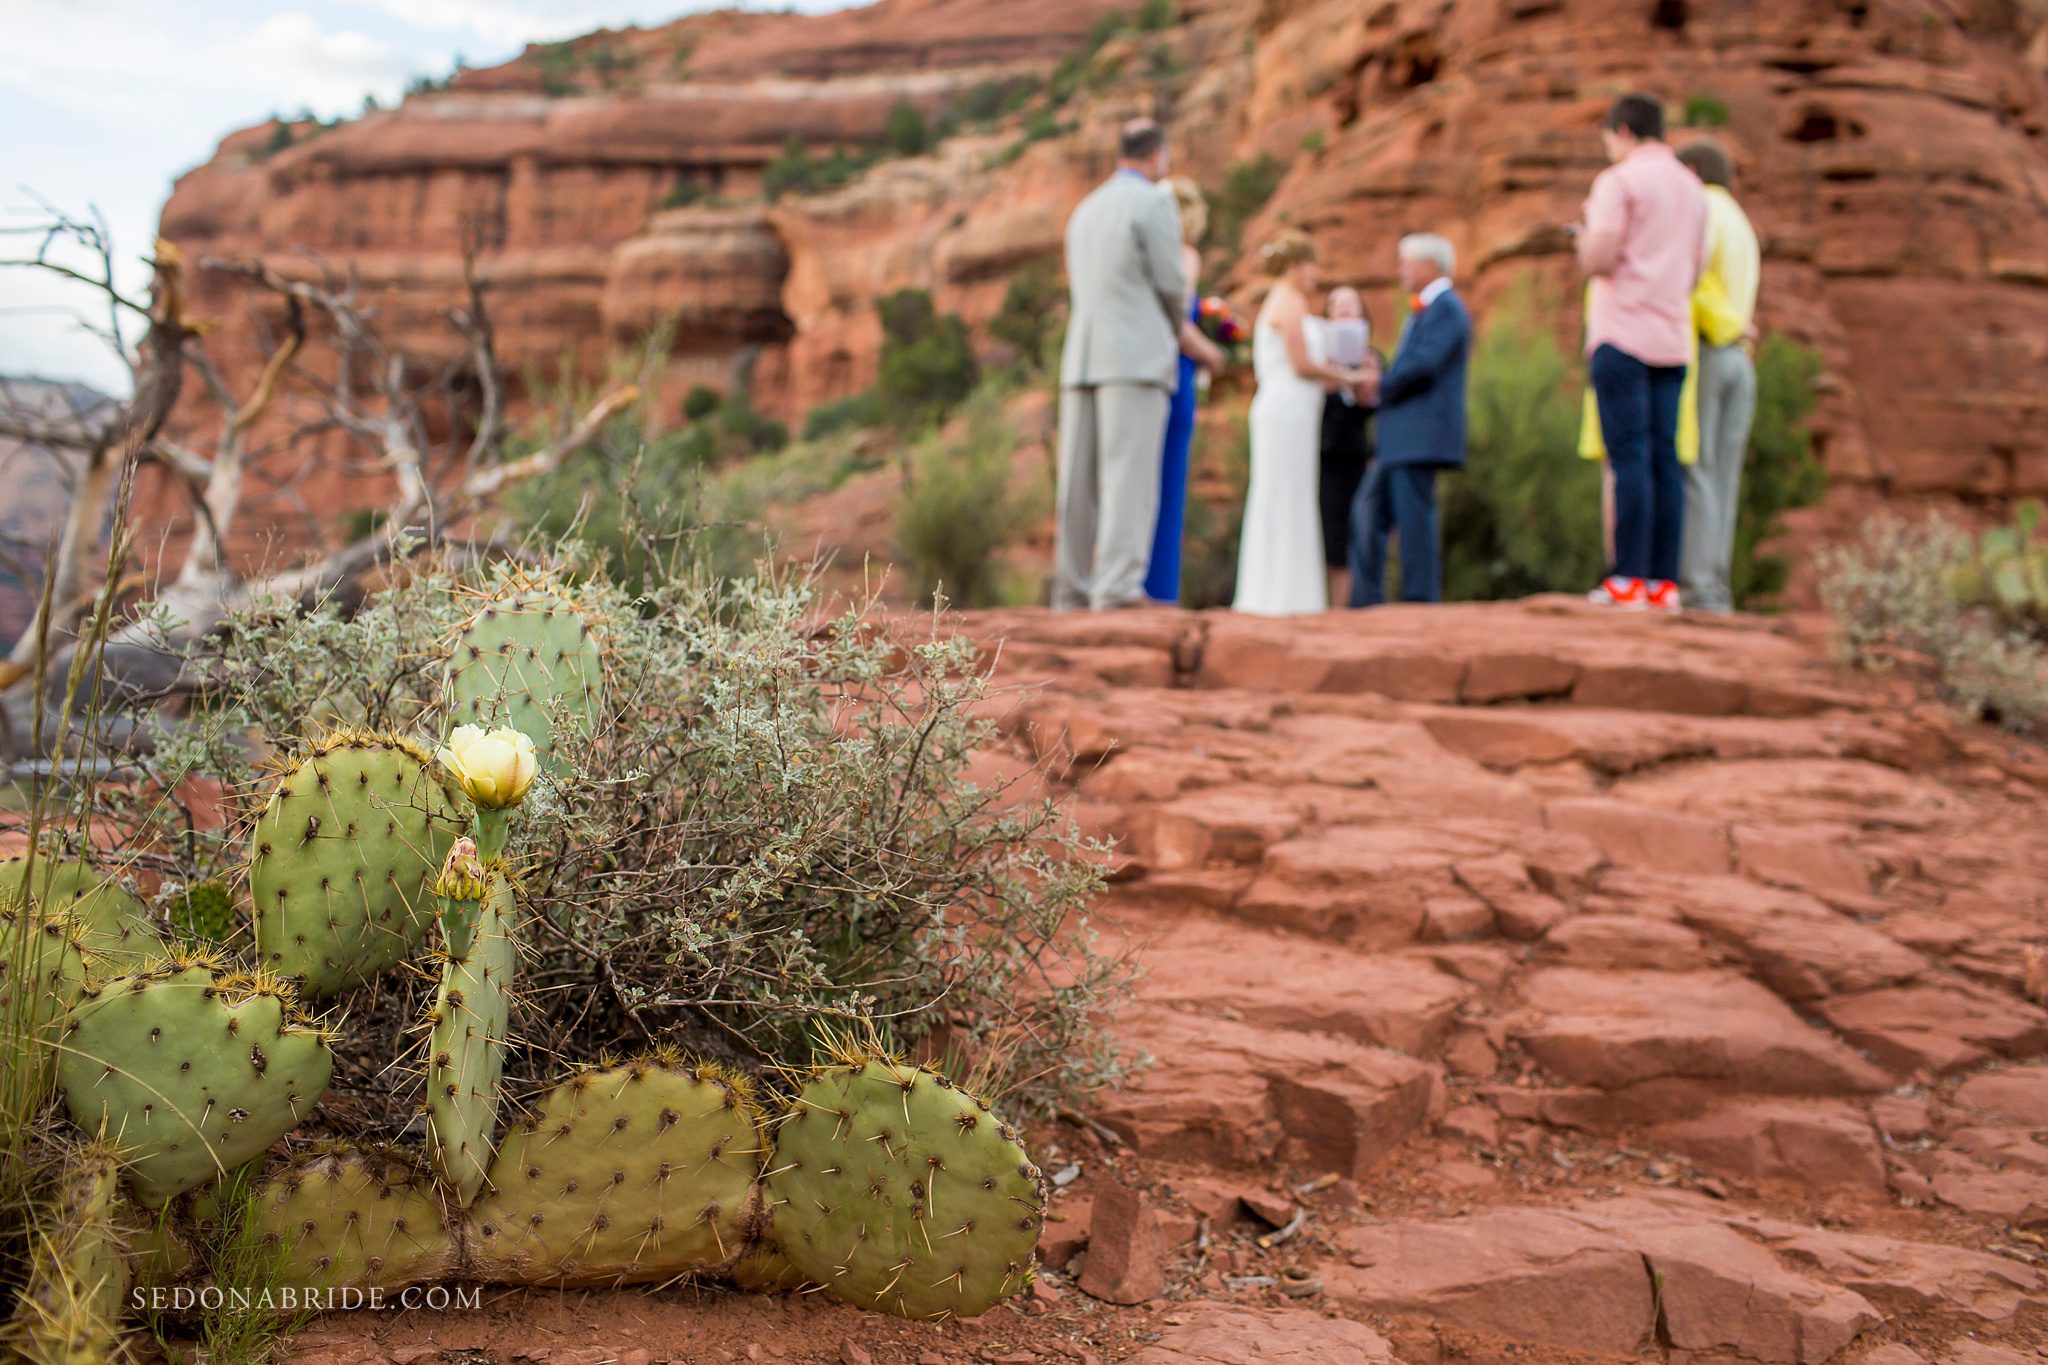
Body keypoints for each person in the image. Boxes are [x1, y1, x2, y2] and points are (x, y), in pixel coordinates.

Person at [1575, 91, 1706, 612]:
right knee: (1664, 460)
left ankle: (1626, 577)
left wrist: (1581, 241)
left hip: (1623, 333)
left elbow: (1601, 256)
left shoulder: (1618, 182)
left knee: (1628, 456)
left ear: (1622, 131)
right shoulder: (1693, 188)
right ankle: (1662, 583)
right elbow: (1695, 269)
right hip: (1673, 338)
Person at [1053, 118, 1189, 610]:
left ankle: (1070, 589)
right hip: (1134, 355)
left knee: (1077, 483)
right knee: (1128, 475)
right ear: (1158, 154)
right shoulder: (1154, 201)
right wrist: (1175, 330)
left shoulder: (1085, 208)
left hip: (1082, 357)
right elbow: (1172, 283)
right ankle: (1116, 587)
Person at [1234, 230, 1364, 616]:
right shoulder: (1288, 300)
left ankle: (1285, 593)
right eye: (1311, 265)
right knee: (1283, 492)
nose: (1315, 274)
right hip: (1285, 410)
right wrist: (1349, 378)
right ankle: (1278, 596)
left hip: (1297, 411)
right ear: (1294, 266)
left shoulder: (1291, 300)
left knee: (1292, 492)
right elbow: (1301, 363)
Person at [1347, 234, 1470, 607]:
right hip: (1400, 436)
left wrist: (1380, 383)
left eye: (1407, 263)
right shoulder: (1427, 310)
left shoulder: (1447, 309)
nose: (1401, 271)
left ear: (1430, 265)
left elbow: (1425, 365)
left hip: (1420, 435)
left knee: (1414, 519)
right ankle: (1367, 599)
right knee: (1369, 512)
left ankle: (1419, 601)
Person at [1676, 139, 1761, 613]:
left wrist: (1726, 324)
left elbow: (1696, 277)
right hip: (1740, 358)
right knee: (1724, 476)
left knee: (1698, 467)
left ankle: (1697, 587)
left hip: (1711, 347)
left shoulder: (1702, 208)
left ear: (1692, 171)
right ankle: (1716, 587)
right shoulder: (1741, 219)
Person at [1144, 177, 1228, 604]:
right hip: (1176, 373)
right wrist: (1213, 352)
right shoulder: (1185, 255)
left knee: (1146, 478)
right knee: (1167, 479)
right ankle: (1159, 590)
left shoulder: (1148, 256)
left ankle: (1143, 583)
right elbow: (1178, 322)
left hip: (1152, 371)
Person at [1318, 286, 1377, 606]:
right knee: (1323, 529)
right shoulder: (1316, 356)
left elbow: (1371, 406)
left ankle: (1343, 606)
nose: (1342, 309)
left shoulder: (1371, 357)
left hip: (1351, 454)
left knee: (1348, 532)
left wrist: (1361, 378)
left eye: (1349, 303)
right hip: (1320, 453)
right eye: (1335, 303)